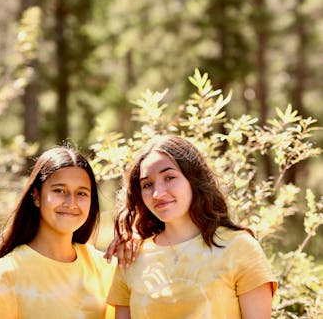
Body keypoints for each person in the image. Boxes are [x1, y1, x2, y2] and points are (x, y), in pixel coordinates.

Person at [107, 135, 277, 319]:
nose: (158, 193)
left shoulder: (239, 247)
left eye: (169, 177)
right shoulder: (131, 257)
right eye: (147, 184)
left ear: (193, 179)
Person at [0, 146, 118, 319]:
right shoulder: (9, 272)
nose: (71, 202)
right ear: (36, 196)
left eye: (81, 193)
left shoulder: (104, 266)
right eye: (59, 191)